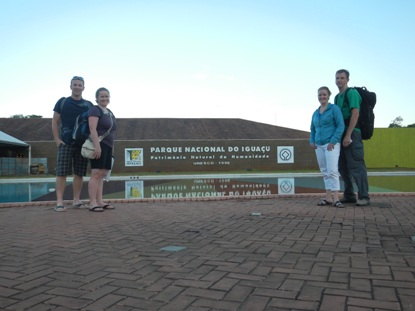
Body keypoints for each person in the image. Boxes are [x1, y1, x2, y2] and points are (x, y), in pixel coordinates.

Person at [52, 76, 93, 212]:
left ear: (83, 87)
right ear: (70, 86)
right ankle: (59, 202)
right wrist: (57, 139)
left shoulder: (88, 105)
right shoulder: (63, 102)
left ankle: (76, 200)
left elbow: (93, 124)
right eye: (74, 85)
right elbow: (55, 122)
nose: (77, 87)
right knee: (62, 172)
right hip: (65, 142)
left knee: (79, 173)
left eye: (79, 85)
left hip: (82, 144)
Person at [335, 69, 370, 206]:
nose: (339, 80)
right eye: (337, 78)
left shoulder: (352, 93)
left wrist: (348, 135)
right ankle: (349, 195)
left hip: (352, 132)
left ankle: (364, 196)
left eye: (342, 78)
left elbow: (355, 114)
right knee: (342, 166)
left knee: (356, 165)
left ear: (347, 80)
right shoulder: (337, 97)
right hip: (340, 133)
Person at [310, 86, 345, 207]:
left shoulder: (334, 109)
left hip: (331, 144)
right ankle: (328, 196)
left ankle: (336, 198)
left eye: (324, 94)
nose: (322, 97)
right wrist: (312, 141)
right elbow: (312, 129)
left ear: (328, 96)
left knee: (332, 171)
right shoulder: (315, 112)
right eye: (320, 95)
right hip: (319, 145)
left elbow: (340, 126)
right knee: (324, 171)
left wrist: (333, 141)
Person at [87, 87, 117, 212]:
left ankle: (100, 201)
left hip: (108, 146)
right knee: (96, 173)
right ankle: (92, 202)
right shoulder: (95, 110)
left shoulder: (109, 112)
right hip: (99, 145)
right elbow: (92, 129)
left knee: (103, 174)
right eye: (102, 96)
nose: (105, 98)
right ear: (97, 98)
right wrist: (97, 146)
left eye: (107, 96)